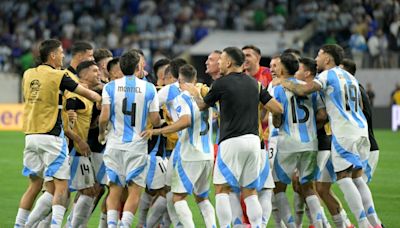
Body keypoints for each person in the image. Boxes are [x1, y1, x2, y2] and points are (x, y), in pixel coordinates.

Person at [275, 44, 382, 228]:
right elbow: (362, 108)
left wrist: (284, 82)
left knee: (344, 178)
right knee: (355, 177)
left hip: (344, 133)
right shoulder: (350, 77)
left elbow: (303, 90)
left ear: (327, 59)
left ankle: (364, 224)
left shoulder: (327, 75)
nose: (316, 58)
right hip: (361, 130)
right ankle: (375, 223)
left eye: (319, 54)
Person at [182, 46, 283, 227]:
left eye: (221, 59)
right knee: (250, 191)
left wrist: (195, 93)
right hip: (254, 141)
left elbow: (201, 106)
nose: (219, 62)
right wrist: (274, 120)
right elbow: (278, 108)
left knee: (222, 189)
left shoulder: (221, 84)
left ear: (228, 62)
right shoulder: (255, 84)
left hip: (231, 140)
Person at [14, 39, 101, 228]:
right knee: (62, 187)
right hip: (51, 136)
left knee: (36, 186)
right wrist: (100, 97)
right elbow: (86, 93)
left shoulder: (28, 74)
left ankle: (19, 225)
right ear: (52, 55)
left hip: (30, 135)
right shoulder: (59, 75)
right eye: (61, 52)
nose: (63, 56)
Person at [142, 64, 217, 228]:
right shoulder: (204, 97)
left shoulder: (182, 97)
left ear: (179, 80)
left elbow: (185, 121)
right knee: (201, 198)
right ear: (195, 79)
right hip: (207, 154)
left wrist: (158, 130)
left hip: (189, 153)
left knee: (177, 198)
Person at [98, 49, 161, 228]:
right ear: (138, 66)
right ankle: (124, 225)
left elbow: (104, 117)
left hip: (114, 144)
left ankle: (111, 224)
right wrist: (154, 123)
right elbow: (156, 120)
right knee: (134, 191)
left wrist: (102, 133)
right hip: (137, 146)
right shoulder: (149, 87)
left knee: (114, 189)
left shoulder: (110, 87)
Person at [271, 53, 325, 228]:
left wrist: (276, 121)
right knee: (308, 186)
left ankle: (293, 226)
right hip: (311, 143)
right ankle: (319, 224)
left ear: (282, 68)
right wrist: (310, 129)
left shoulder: (277, 88)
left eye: (277, 65)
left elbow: (277, 116)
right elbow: (322, 115)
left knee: (278, 188)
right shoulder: (310, 87)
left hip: (287, 143)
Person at [64, 60, 102, 227]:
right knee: (86, 190)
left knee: (90, 189)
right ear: (84, 74)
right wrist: (79, 140)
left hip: (79, 150)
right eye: (95, 71)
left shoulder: (86, 95)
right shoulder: (76, 95)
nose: (98, 73)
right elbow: (68, 114)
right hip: (73, 150)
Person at [340, 58, 380, 184]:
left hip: (368, 146)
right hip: (359, 145)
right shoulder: (352, 87)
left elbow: (366, 114)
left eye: (340, 70)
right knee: (355, 185)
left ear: (347, 71)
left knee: (361, 186)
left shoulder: (356, 89)